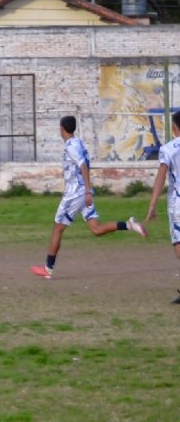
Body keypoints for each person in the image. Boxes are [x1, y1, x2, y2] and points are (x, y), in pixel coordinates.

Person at [31, 116, 146, 279]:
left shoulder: (71, 146)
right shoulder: (78, 143)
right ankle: (129, 225)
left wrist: (87, 191)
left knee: (58, 228)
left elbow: (83, 165)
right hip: (83, 193)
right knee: (96, 229)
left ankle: (48, 269)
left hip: (76, 194)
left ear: (62, 128)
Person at [145, 111, 180, 304]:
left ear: (174, 127)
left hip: (178, 204)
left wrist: (152, 204)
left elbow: (160, 176)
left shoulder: (168, 149)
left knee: (178, 248)